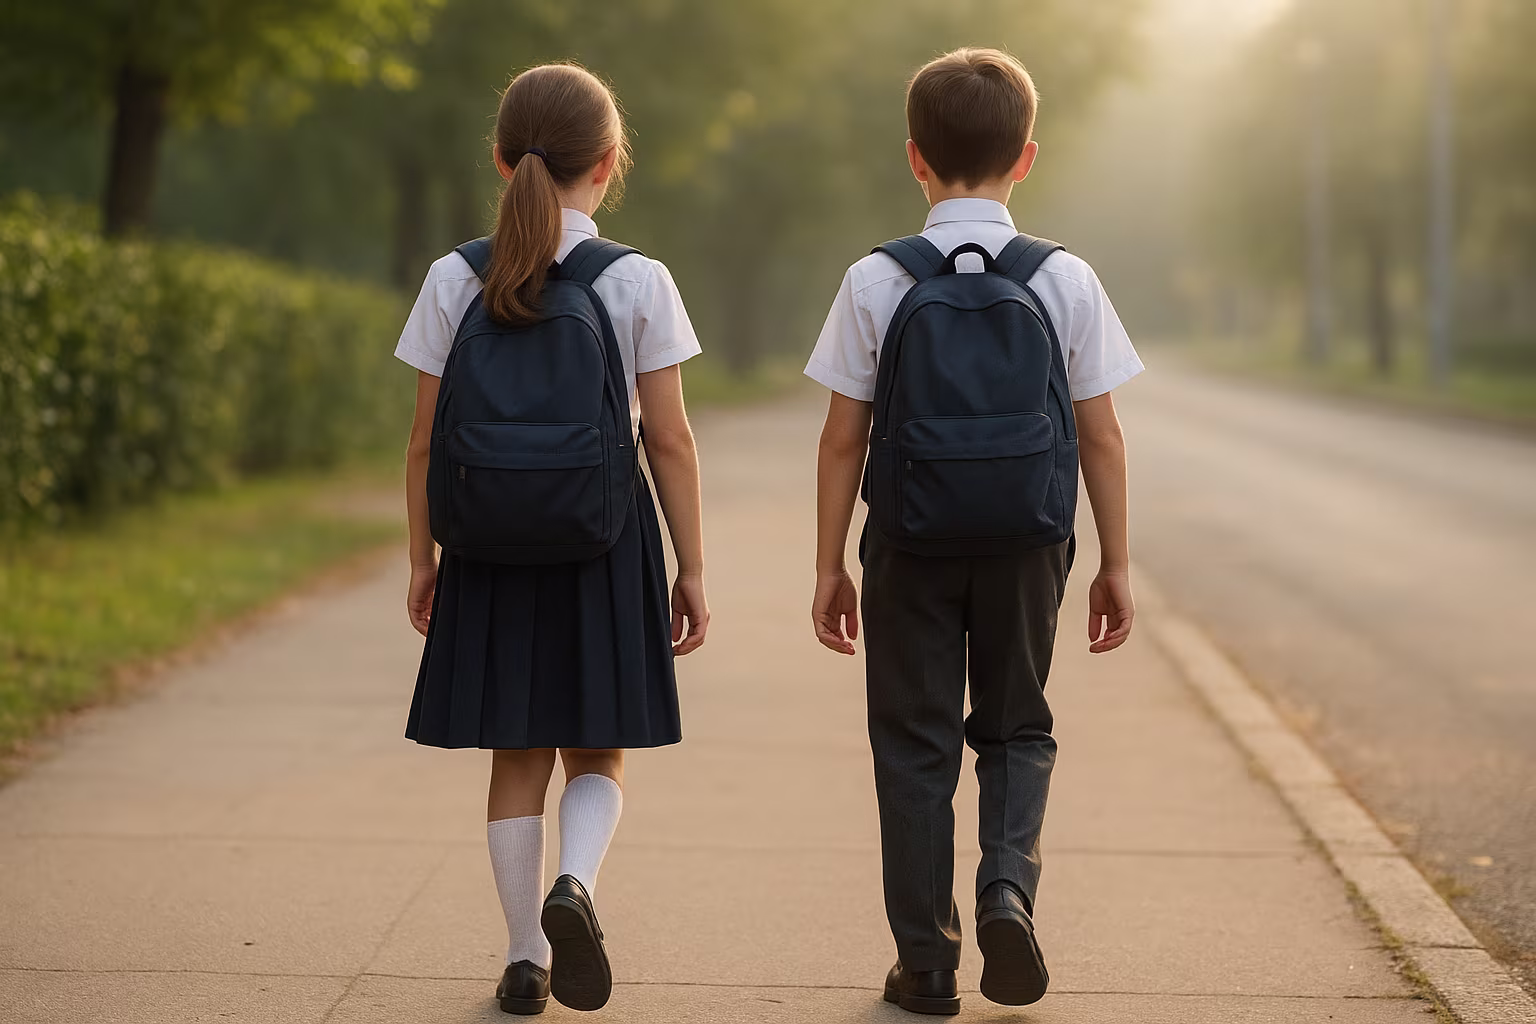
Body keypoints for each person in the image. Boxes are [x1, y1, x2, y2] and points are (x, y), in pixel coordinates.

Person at [806, 47, 1142, 1015]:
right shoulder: (1065, 278)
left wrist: (829, 564)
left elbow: (841, 440)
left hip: (907, 542)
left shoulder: (876, 279)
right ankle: (1006, 887)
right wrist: (1115, 562)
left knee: (914, 746)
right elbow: (1102, 436)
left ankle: (925, 963)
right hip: (1029, 538)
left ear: (915, 157)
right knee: (1016, 727)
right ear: (1025, 157)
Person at [396, 63, 709, 1015]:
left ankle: (526, 957)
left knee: (516, 757)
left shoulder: (457, 274)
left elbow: (422, 441)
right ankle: (577, 886)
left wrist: (424, 557)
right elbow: (669, 439)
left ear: (500, 160)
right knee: (597, 752)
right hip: (602, 540)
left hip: (488, 543)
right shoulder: (637, 280)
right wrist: (692, 567)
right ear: (608, 165)